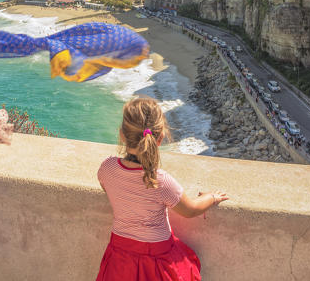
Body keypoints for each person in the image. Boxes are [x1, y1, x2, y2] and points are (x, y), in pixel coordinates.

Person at [96, 97, 228, 281]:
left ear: (122, 135)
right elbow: (190, 210)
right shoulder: (160, 181)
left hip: (120, 257)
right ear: (159, 139)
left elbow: (107, 187)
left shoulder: (107, 168)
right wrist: (212, 197)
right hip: (157, 260)